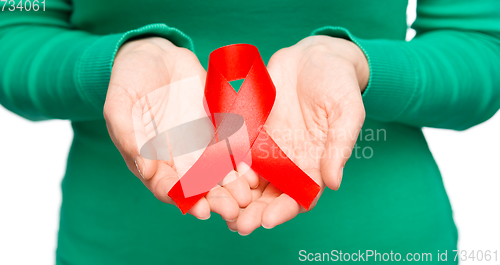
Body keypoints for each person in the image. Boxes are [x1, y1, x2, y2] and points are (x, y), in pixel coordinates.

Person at [1, 0, 499, 264]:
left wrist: (358, 64)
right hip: (117, 249)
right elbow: (14, 29)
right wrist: (113, 63)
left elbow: (481, 46)